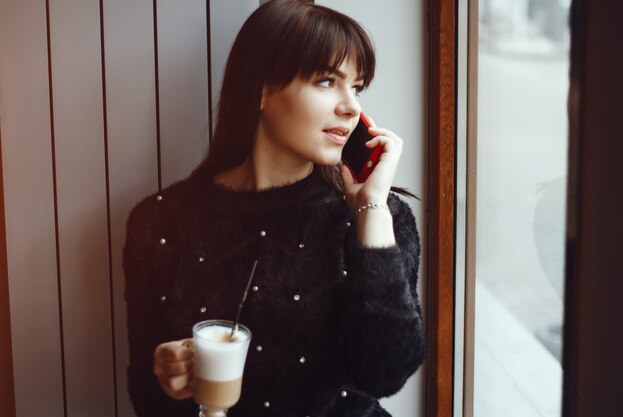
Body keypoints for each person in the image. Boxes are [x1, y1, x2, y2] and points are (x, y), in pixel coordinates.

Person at [123, 1, 426, 416]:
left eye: (356, 87)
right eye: (326, 81)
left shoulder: (380, 217)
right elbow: (145, 394)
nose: (352, 107)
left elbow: (385, 374)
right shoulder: (157, 223)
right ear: (262, 88)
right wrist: (167, 376)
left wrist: (371, 210)